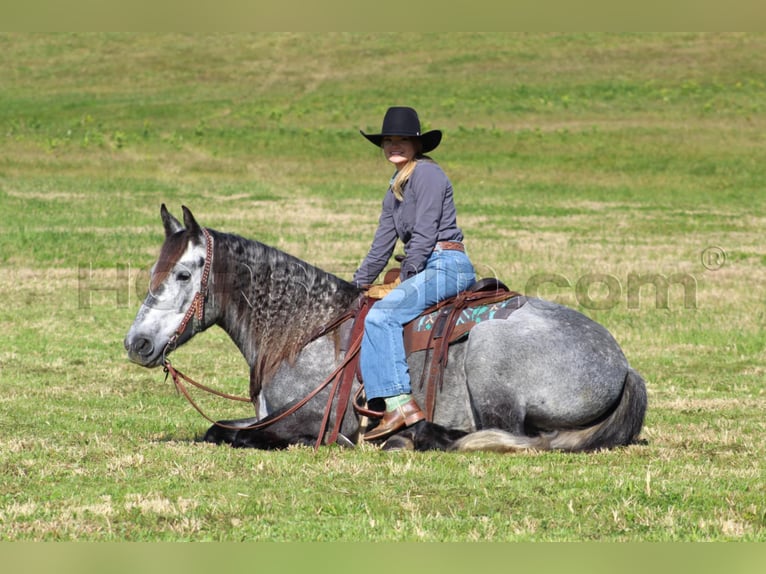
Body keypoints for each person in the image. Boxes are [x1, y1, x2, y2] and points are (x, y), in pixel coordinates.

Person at [353, 106, 476, 441]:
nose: (394, 145)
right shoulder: (395, 187)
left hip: (447, 266)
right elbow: (381, 245)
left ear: (417, 145)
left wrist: (406, 277)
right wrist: (355, 284)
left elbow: (424, 234)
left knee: (382, 317)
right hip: (426, 265)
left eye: (402, 140)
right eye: (388, 140)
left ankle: (399, 405)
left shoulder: (427, 175)